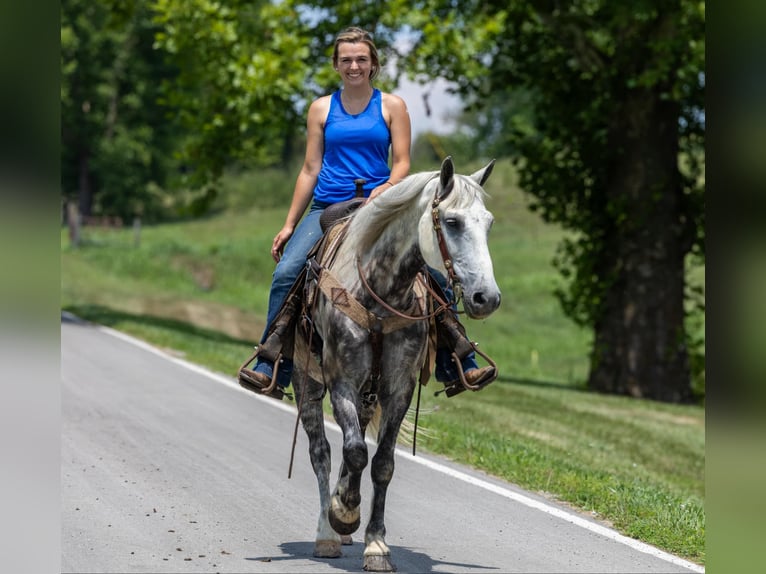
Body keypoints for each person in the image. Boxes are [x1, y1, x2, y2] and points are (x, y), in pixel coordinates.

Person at [239, 27, 494, 400]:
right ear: (336, 65)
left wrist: (386, 190)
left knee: (433, 274)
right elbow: (310, 169)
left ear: (373, 63)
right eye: (346, 60)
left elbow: (402, 162)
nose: (353, 66)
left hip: (381, 207)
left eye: (361, 59)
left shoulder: (392, 106)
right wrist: (290, 223)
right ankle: (272, 361)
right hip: (328, 207)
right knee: (287, 273)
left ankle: (456, 359)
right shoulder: (321, 108)